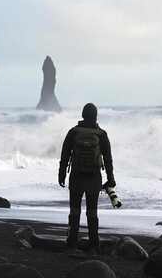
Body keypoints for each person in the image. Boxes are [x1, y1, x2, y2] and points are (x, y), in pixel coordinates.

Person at [58, 103, 115, 252]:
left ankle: (71, 243)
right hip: (94, 177)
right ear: (95, 116)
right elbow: (108, 159)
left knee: (74, 210)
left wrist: (61, 173)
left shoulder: (73, 132)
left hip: (76, 176)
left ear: (83, 115)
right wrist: (111, 179)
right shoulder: (101, 134)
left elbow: (64, 155)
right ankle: (94, 245)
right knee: (92, 211)